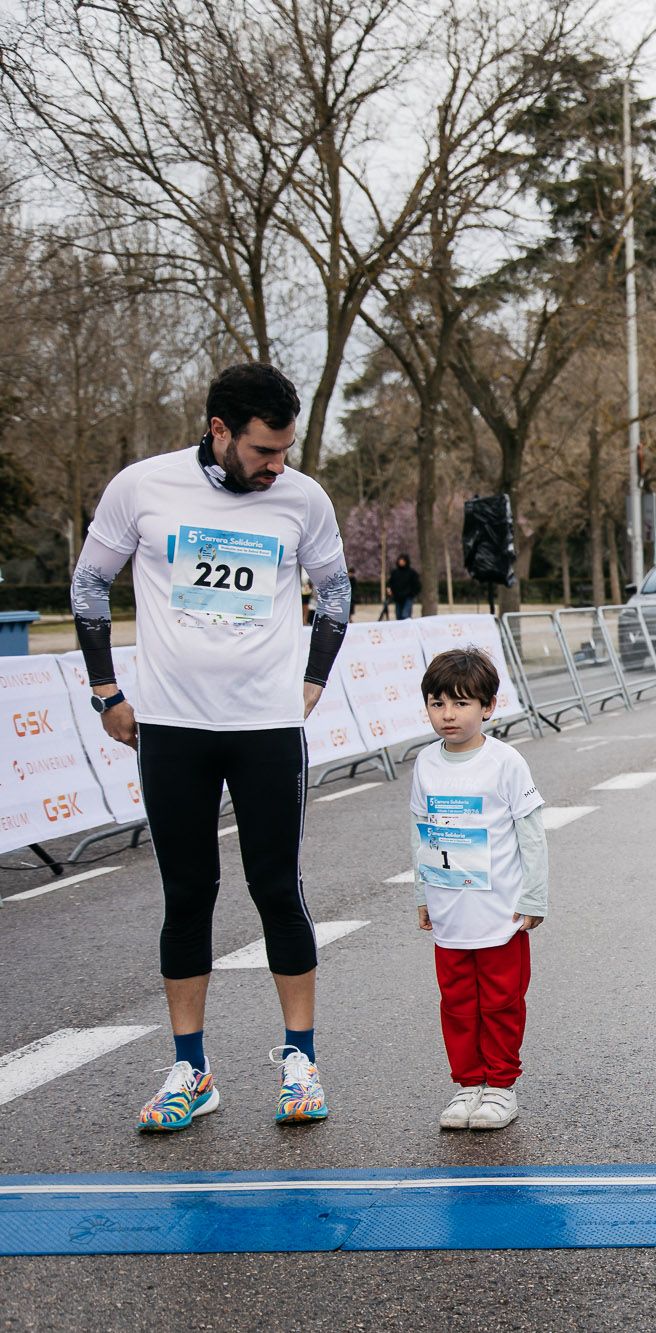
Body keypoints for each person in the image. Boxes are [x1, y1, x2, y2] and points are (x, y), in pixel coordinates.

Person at [70, 363, 350, 1132]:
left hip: (265, 727)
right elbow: (89, 584)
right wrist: (106, 690)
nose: (277, 465)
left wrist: (314, 681)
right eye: (264, 450)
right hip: (172, 727)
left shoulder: (302, 498)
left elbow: (336, 589)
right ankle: (191, 1069)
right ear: (220, 431)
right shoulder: (142, 487)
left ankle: (301, 1060)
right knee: (187, 893)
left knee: (276, 889)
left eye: (286, 449)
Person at [411, 648, 547, 1132]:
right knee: (456, 1002)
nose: (449, 714)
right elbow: (420, 831)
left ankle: (501, 1086)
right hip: (450, 913)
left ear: (488, 707)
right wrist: (422, 893)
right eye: (437, 703)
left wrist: (533, 897)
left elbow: (531, 833)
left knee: (502, 1001)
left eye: (462, 703)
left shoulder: (505, 762)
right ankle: (468, 1083)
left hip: (500, 914)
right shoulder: (425, 763)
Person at [389, 553, 419, 620]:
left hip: (408, 597)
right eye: (400, 561)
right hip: (397, 597)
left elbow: (417, 585)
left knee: (405, 615)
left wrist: (412, 594)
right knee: (398, 616)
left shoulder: (412, 573)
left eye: (403, 561)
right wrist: (390, 592)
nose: (401, 562)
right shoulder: (395, 573)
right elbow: (390, 584)